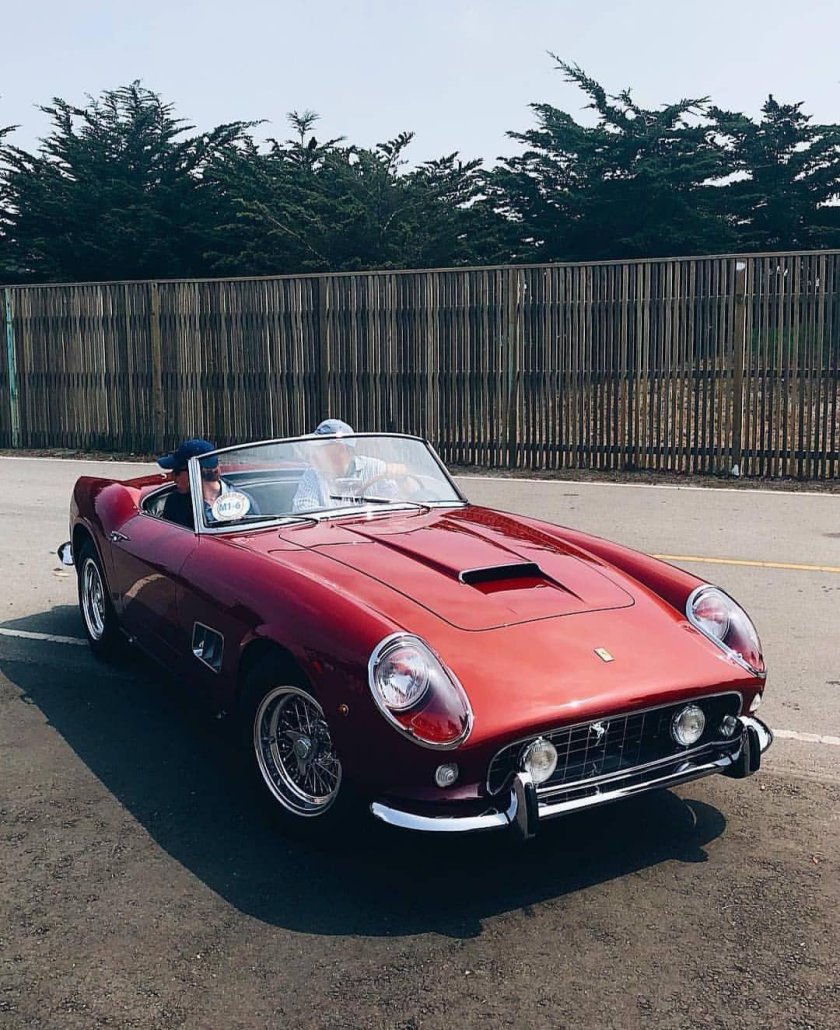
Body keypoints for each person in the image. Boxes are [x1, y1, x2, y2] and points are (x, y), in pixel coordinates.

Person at [292, 419, 402, 512]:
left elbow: (397, 502)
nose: (314, 452)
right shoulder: (312, 474)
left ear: (339, 449)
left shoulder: (376, 468)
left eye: (319, 448)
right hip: (330, 530)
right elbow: (302, 509)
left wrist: (401, 475)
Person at [157, 438, 258, 529]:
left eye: (176, 472)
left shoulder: (242, 502)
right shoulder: (175, 503)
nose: (173, 478)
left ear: (195, 471)